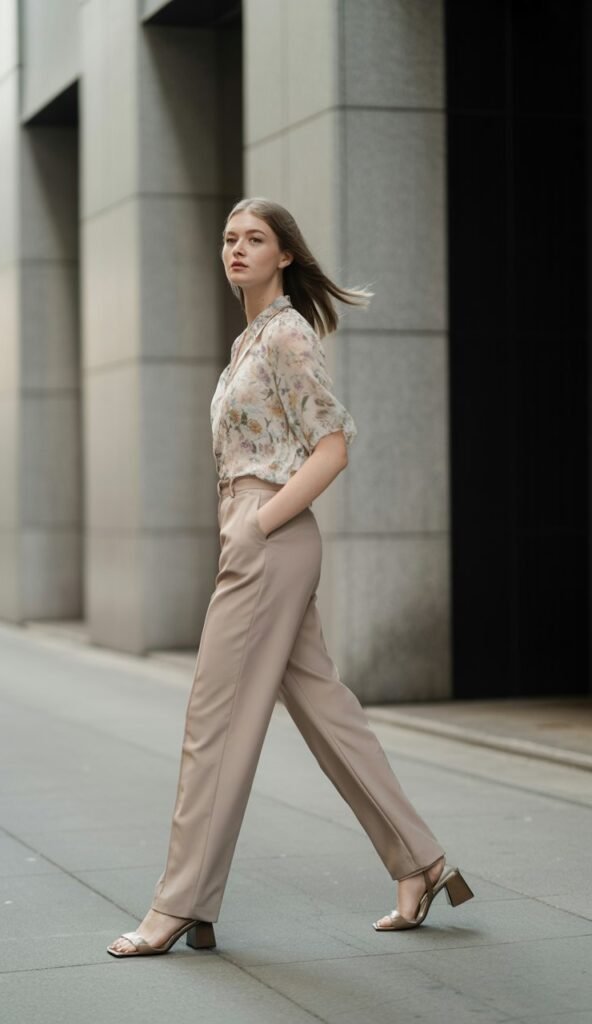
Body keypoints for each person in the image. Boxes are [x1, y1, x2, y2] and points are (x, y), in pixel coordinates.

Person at [107, 197, 473, 958]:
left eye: (255, 239)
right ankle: (422, 863)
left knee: (214, 723)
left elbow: (332, 446)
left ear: (285, 256)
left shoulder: (287, 335)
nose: (237, 249)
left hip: (267, 535)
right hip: (258, 536)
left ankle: (177, 904)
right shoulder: (249, 341)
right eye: (229, 238)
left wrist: (259, 523)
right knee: (324, 709)